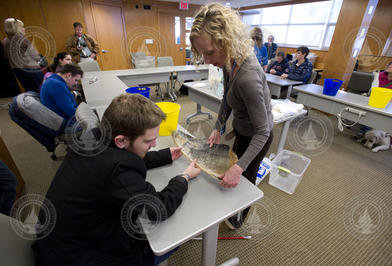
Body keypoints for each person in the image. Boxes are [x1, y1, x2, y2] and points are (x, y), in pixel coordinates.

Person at [33, 93, 200, 265]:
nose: (155, 144)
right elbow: (157, 208)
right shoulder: (118, 170)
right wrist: (183, 178)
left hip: (57, 241)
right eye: (149, 141)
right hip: (76, 256)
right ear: (121, 140)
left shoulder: (95, 135)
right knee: (168, 241)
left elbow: (125, 154)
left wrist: (165, 155)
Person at [190, 3, 274, 229]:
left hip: (258, 136)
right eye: (202, 53)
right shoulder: (230, 62)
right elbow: (227, 97)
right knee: (233, 168)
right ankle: (233, 205)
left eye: (209, 52)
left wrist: (239, 168)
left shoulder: (248, 76)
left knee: (245, 178)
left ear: (226, 41)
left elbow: (263, 132)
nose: (207, 60)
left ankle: (238, 219)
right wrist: (218, 126)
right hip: (244, 130)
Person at [2, 18, 44, 92]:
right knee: (42, 88)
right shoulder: (21, 38)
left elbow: (6, 57)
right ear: (17, 28)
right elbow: (35, 55)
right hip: (31, 68)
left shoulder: (4, 41)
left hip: (17, 70)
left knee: (30, 91)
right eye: (22, 27)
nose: (24, 29)